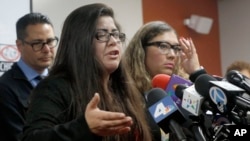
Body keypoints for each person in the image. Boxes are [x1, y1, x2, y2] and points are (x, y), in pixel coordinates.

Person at [21, 3, 155, 141]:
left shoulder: (124, 89)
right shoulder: (54, 88)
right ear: (80, 42)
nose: (114, 41)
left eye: (115, 34)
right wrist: (84, 127)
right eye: (102, 35)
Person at [123, 21, 203, 141]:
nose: (172, 55)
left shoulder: (181, 89)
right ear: (141, 50)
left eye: (176, 48)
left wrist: (196, 73)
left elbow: (207, 123)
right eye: (163, 46)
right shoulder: (124, 92)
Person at [0, 13, 57, 141]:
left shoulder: (62, 80)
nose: (47, 49)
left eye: (50, 41)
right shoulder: (5, 88)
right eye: (37, 43)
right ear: (20, 45)